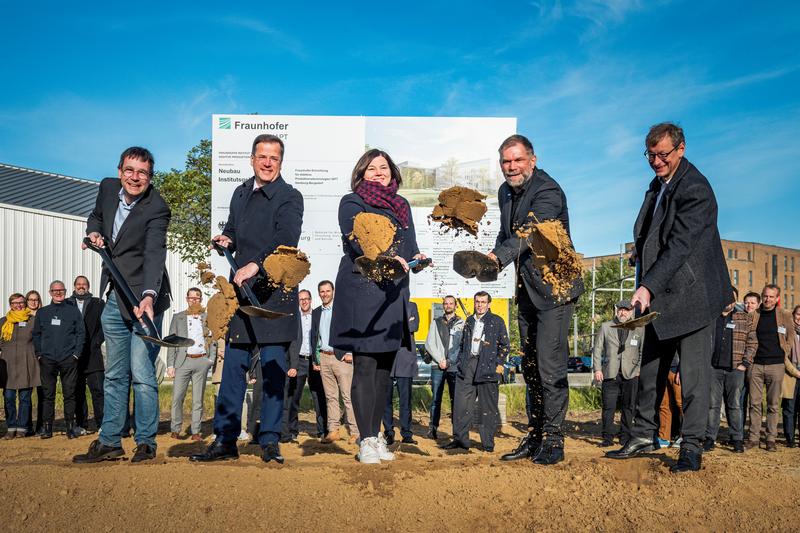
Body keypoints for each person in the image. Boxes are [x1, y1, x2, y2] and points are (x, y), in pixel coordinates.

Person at [607, 123, 732, 473]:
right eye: (650, 155)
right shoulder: (658, 184)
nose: (657, 161)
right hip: (663, 294)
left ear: (681, 149)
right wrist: (639, 256)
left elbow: (679, 246)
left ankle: (692, 445)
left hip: (693, 296)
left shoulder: (696, 188)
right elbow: (654, 233)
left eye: (663, 154)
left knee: (693, 378)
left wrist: (646, 286)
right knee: (649, 371)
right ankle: (644, 434)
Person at [191, 134, 303, 465]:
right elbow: (234, 231)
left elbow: (287, 241)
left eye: (274, 158)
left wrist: (256, 264)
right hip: (242, 296)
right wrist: (226, 238)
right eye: (262, 156)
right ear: (252, 158)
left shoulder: (289, 197)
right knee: (233, 369)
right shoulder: (240, 193)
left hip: (274, 295)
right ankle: (225, 439)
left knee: (272, 370)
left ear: (281, 162)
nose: (268, 163)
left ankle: (269, 440)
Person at [488, 134, 584, 465]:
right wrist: (490, 257)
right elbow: (506, 233)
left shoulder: (548, 191)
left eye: (517, 160)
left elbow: (530, 231)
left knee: (549, 365)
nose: (511, 167)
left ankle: (554, 440)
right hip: (527, 289)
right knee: (529, 365)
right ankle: (537, 433)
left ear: (533, 159)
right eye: (506, 161)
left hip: (556, 289)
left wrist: (498, 258)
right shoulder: (505, 192)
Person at [73, 146, 172, 464]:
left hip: (144, 300)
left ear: (150, 177)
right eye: (129, 170)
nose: (135, 177)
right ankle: (110, 441)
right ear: (119, 171)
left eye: (142, 172)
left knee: (142, 374)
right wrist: (94, 232)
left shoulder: (157, 207)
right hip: (115, 298)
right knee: (114, 374)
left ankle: (146, 443)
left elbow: (155, 254)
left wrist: (148, 296)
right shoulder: (107, 187)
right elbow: (96, 217)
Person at [329, 148, 425, 464]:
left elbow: (408, 247)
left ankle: (377, 435)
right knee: (366, 365)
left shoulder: (402, 205)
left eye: (384, 167)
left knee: (385, 369)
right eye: (372, 168)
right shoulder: (352, 201)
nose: (379, 172)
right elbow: (359, 240)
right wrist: (386, 257)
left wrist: (416, 259)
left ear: (393, 173)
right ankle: (366, 439)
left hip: (392, 294)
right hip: (363, 287)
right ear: (361, 173)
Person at [441, 291, 509, 452]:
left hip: (488, 367)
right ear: (474, 303)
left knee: (487, 409)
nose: (480, 305)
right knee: (461, 405)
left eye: (483, 302)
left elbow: (505, 346)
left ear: (489, 304)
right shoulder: (469, 321)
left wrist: (497, 365)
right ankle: (460, 440)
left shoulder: (497, 321)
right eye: (477, 301)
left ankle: (487, 445)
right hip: (467, 366)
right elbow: (464, 344)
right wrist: (461, 363)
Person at [745, 285, 800, 451]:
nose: (768, 299)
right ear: (762, 297)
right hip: (755, 365)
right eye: (765, 296)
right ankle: (754, 438)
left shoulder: (784, 315)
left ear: (777, 299)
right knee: (754, 404)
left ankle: (770, 439)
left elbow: (790, 337)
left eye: (771, 297)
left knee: (773, 405)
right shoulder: (754, 315)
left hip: (776, 365)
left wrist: (784, 352)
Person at [32, 280, 85, 439]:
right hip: (47, 360)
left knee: (69, 394)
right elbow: (36, 334)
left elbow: (81, 334)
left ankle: (70, 427)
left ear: (65, 291)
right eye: (55, 290)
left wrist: (76, 354)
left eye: (61, 290)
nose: (58, 292)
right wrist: (39, 354)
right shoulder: (43, 313)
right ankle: (47, 428)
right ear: (50, 292)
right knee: (48, 395)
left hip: (68, 359)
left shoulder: (73, 311)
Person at [704, 287, 755, 453]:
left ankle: (737, 439)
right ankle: (710, 438)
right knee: (712, 405)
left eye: (731, 298)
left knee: (734, 405)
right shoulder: (711, 318)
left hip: (735, 369)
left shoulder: (744, 318)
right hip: (713, 369)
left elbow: (752, 343)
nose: (728, 301)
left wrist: (744, 364)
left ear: (735, 301)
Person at [591, 300, 643, 447]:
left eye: (626, 310)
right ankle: (607, 438)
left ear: (631, 311)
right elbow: (597, 349)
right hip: (610, 373)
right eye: (621, 309)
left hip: (630, 373)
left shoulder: (638, 328)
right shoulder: (606, 327)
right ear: (617, 310)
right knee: (609, 407)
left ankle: (625, 437)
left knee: (628, 407)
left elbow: (641, 351)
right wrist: (597, 369)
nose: (623, 312)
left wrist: (637, 369)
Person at [167, 288, 216, 441]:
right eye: (191, 298)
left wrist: (211, 360)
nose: (194, 301)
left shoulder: (207, 318)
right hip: (183, 361)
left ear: (201, 300)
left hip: (201, 360)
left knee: (197, 399)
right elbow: (172, 343)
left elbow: (213, 340)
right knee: (177, 397)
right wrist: (170, 365)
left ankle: (195, 431)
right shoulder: (178, 317)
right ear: (187, 299)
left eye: (197, 298)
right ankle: (175, 429)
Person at [312, 280, 353, 444]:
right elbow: (314, 337)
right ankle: (333, 430)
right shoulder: (316, 313)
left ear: (333, 291)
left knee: (348, 397)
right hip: (324, 357)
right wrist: (316, 358)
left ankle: (355, 432)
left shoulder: (343, 310)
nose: (325, 294)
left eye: (327, 291)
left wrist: (351, 352)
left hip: (341, 357)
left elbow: (352, 331)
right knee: (330, 397)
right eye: (322, 291)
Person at [281, 289, 323, 443]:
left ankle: (322, 431)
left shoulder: (318, 315)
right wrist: (293, 364)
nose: (304, 301)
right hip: (297, 361)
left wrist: (319, 360)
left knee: (318, 396)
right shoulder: (294, 318)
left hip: (314, 362)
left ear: (311, 300)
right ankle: (292, 431)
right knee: (293, 398)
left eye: (306, 299)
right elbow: (291, 342)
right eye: (301, 299)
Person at [69, 275, 105, 435]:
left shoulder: (98, 303)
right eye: (78, 284)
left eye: (84, 284)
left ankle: (102, 423)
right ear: (74, 286)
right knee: (78, 392)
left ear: (88, 286)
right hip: (73, 356)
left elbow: (105, 325)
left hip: (93, 355)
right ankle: (81, 424)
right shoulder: (67, 304)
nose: (81, 286)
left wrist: (96, 342)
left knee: (98, 390)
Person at [424, 295, 464, 441]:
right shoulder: (435, 322)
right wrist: (440, 360)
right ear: (443, 306)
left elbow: (461, 345)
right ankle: (432, 429)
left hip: (454, 367)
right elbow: (429, 343)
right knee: (436, 399)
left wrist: (449, 361)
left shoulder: (461, 323)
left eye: (451, 303)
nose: (448, 306)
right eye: (446, 303)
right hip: (437, 366)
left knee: (456, 399)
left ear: (455, 306)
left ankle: (456, 431)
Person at [0, 293, 40, 439]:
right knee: (9, 397)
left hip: (26, 363)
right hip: (8, 365)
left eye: (21, 302)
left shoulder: (33, 320)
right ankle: (11, 427)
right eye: (15, 303)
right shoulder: (3, 322)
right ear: (10, 304)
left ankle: (22, 427)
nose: (19, 305)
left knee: (25, 397)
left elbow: (39, 340)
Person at [382, 301, 420, 445]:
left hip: (405, 360)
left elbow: (414, 326)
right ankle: (389, 433)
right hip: (387, 360)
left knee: (405, 401)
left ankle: (407, 434)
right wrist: (404, 325)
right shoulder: (385, 306)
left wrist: (393, 328)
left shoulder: (412, 306)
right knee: (386, 400)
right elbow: (383, 331)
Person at [25, 290, 44, 436]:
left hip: (42, 358)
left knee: (43, 393)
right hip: (27, 358)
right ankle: (27, 425)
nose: (33, 302)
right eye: (31, 300)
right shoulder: (22, 318)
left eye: (36, 299)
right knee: (27, 392)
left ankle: (41, 425)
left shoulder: (43, 316)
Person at [782, 305, 800, 447]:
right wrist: (795, 372)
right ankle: (790, 438)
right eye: (798, 314)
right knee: (789, 408)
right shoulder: (787, 331)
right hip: (790, 375)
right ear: (793, 315)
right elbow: (784, 355)